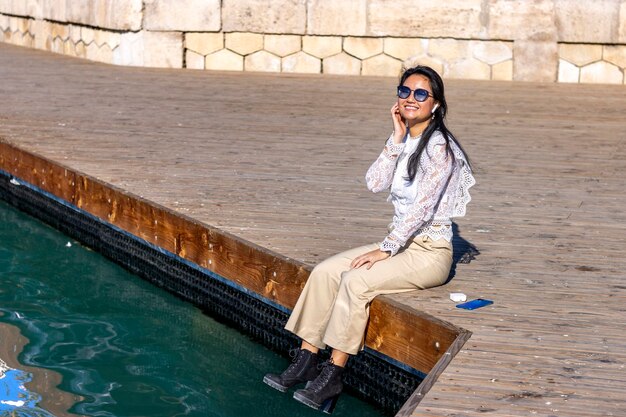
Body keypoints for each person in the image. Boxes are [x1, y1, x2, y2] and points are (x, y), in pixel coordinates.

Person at [263, 65, 475, 413]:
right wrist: (395, 138)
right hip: (401, 244)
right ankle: (306, 360)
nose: (410, 99)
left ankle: (333, 374)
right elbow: (374, 182)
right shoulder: (407, 140)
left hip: (429, 254)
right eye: (404, 91)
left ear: (435, 104)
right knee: (325, 271)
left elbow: (421, 211)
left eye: (421, 94)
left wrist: (386, 249)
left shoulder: (441, 149)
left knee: (355, 280)